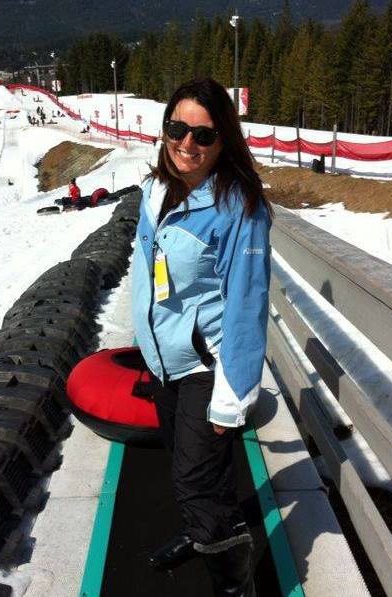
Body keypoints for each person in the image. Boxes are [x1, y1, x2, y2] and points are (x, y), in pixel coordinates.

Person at [131, 78, 272, 597]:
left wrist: (232, 398)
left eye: (204, 135)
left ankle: (235, 586)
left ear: (223, 139)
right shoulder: (156, 191)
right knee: (189, 470)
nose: (186, 143)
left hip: (204, 368)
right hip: (162, 362)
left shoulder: (240, 209)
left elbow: (247, 307)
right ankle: (199, 529)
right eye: (177, 129)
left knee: (194, 481)